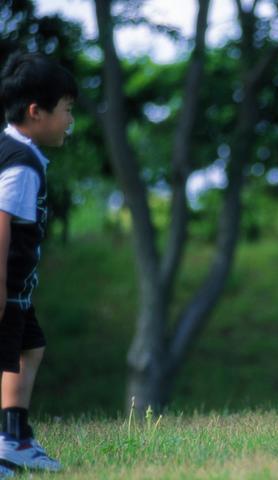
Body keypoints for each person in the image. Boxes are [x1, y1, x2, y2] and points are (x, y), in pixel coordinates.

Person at [0, 52, 77, 473]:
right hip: (7, 288)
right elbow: (2, 222)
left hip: (17, 292)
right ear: (36, 112)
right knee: (11, 356)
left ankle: (15, 438)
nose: (70, 121)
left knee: (31, 348)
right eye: (66, 110)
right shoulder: (23, 165)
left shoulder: (13, 150)